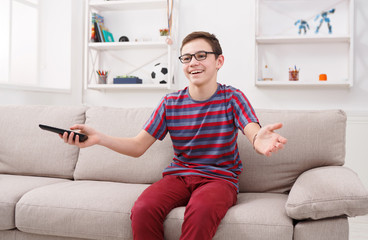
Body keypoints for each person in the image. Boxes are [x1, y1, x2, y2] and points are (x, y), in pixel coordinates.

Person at [62, 31, 287, 240]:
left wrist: (259, 139)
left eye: (201, 55)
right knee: (142, 209)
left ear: (219, 61)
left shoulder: (233, 97)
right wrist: (99, 138)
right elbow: (137, 146)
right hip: (178, 177)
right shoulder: (170, 103)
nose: (193, 63)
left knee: (200, 212)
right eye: (187, 58)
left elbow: (253, 131)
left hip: (219, 179)